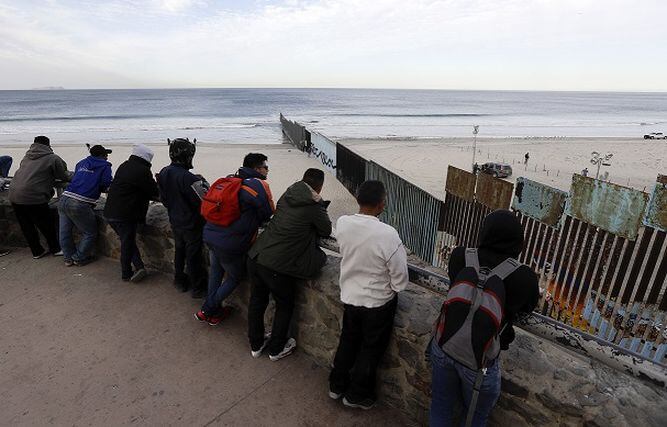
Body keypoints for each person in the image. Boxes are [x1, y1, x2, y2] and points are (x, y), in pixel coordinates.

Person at [429, 210, 539, 426]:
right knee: (476, 416)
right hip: (481, 362)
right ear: (518, 240)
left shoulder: (460, 256)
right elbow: (527, 309)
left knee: (441, 405)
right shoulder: (524, 277)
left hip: (444, 346)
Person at [328, 180, 409, 410]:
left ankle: (336, 385)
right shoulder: (388, 235)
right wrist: (391, 288)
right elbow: (400, 279)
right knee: (370, 350)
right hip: (377, 303)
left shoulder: (343, 223)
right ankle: (356, 395)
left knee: (348, 340)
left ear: (358, 199)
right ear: (382, 204)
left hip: (350, 296)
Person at [247, 168, 331, 361]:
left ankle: (256, 344)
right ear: (319, 186)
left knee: (257, 301)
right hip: (276, 264)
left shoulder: (288, 193)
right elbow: (325, 230)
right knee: (285, 305)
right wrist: (320, 204)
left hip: (257, 255)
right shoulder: (313, 204)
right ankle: (276, 349)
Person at [194, 152, 275, 324]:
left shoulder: (231, 180)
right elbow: (268, 212)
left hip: (210, 235)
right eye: (265, 167)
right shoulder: (257, 185)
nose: (268, 171)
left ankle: (214, 313)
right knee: (235, 276)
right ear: (256, 169)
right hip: (230, 244)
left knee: (216, 273)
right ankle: (207, 310)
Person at [157, 138, 210, 298]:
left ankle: (179, 281)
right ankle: (197, 288)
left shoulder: (165, 171)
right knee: (193, 255)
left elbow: (163, 198)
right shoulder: (189, 178)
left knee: (179, 251)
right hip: (191, 223)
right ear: (188, 156)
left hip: (175, 219)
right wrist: (204, 182)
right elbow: (205, 201)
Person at [103, 144, 159, 282]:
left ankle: (139, 267)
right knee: (127, 243)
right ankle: (126, 273)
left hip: (110, 210)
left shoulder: (124, 166)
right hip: (125, 214)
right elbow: (153, 191)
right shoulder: (142, 171)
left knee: (127, 240)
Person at [8, 136, 71, 259]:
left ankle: (37, 251)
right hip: (33, 197)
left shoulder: (26, 157)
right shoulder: (52, 158)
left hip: (14, 194)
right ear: (48, 145)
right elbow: (63, 175)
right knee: (46, 224)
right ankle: (56, 249)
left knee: (26, 226)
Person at [58, 144, 113, 266]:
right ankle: (79, 257)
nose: (107, 157)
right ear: (101, 155)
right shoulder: (105, 166)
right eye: (106, 155)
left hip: (65, 197)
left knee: (65, 232)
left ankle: (68, 258)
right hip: (80, 202)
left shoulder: (81, 163)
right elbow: (105, 183)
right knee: (90, 232)